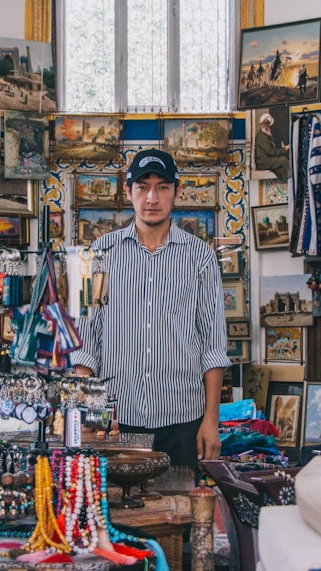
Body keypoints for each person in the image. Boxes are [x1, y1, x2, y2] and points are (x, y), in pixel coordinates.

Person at [71, 148, 230, 479]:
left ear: (177, 191)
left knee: (181, 518)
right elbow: (85, 344)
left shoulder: (201, 257)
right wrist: (87, 415)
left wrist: (211, 420)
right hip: (115, 420)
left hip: (183, 420)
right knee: (116, 520)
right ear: (128, 191)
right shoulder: (97, 255)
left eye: (163, 187)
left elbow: (213, 348)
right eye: (143, 187)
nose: (152, 197)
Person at [254, 113, 290, 181]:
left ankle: (286, 184)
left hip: (267, 160)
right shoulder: (261, 136)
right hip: (263, 162)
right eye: (265, 123)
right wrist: (284, 150)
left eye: (268, 124)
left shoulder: (266, 134)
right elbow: (270, 151)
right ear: (262, 123)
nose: (266, 125)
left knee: (281, 170)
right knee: (284, 160)